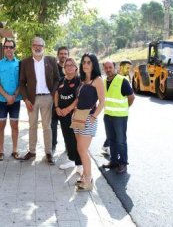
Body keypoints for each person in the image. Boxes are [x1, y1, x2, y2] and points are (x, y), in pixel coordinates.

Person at [19, 37, 59, 165]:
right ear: (31, 46)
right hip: (32, 99)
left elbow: (58, 79)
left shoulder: (51, 60)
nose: (37, 47)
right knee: (32, 126)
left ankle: (48, 152)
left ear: (44, 47)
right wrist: (25, 99)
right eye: (35, 45)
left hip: (47, 97)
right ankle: (32, 151)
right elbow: (21, 83)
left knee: (47, 127)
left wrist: (53, 94)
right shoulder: (25, 62)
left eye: (40, 45)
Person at [73, 53, 105, 192]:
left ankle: (89, 179)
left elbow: (102, 102)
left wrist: (93, 117)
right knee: (80, 149)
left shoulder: (97, 80)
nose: (85, 65)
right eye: (84, 62)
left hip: (88, 118)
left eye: (88, 62)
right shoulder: (82, 80)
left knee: (82, 150)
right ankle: (85, 176)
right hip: (77, 117)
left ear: (93, 65)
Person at [102, 60, 135, 174]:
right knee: (111, 140)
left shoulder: (122, 80)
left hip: (120, 117)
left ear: (115, 68)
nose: (108, 69)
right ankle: (114, 161)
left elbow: (131, 97)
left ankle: (123, 163)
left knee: (120, 141)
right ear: (104, 69)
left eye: (110, 67)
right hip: (108, 116)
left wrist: (125, 109)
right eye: (106, 68)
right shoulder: (103, 81)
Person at [0, 39, 22, 161]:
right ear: (4, 49)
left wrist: (14, 96)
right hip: (1, 100)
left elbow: (22, 82)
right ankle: (1, 151)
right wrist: (6, 96)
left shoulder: (20, 64)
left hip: (16, 100)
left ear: (14, 49)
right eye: (6, 47)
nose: (8, 49)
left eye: (10, 47)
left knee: (14, 125)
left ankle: (15, 150)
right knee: (1, 125)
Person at [54, 58, 82, 172]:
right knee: (68, 137)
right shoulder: (61, 80)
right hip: (62, 114)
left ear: (76, 67)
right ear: (64, 68)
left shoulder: (79, 80)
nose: (69, 67)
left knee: (78, 139)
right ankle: (71, 159)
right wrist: (57, 107)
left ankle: (80, 165)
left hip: (75, 114)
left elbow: (79, 97)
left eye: (72, 65)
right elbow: (56, 94)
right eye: (67, 65)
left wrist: (68, 109)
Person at [51, 46, 69, 153]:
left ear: (68, 55)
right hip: (54, 102)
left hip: (67, 103)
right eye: (61, 53)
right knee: (53, 124)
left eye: (65, 54)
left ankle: (68, 145)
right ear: (58, 55)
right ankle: (52, 145)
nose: (63, 55)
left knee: (66, 126)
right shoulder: (54, 68)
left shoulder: (71, 68)